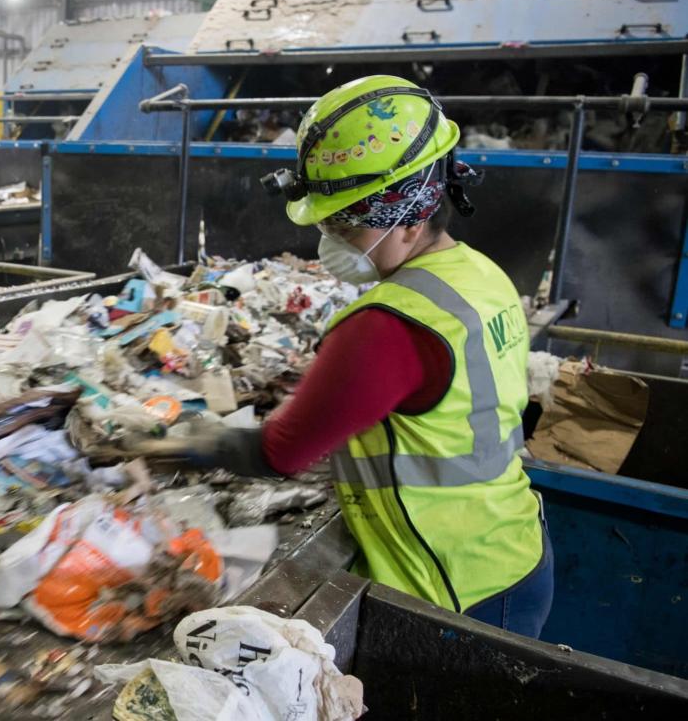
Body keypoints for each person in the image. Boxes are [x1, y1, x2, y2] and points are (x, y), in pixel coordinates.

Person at [180, 75, 553, 639]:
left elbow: (282, 452)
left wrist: (178, 442)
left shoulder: (384, 324)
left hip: (450, 589)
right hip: (513, 548)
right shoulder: (480, 274)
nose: (330, 238)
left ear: (407, 213)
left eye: (341, 222)